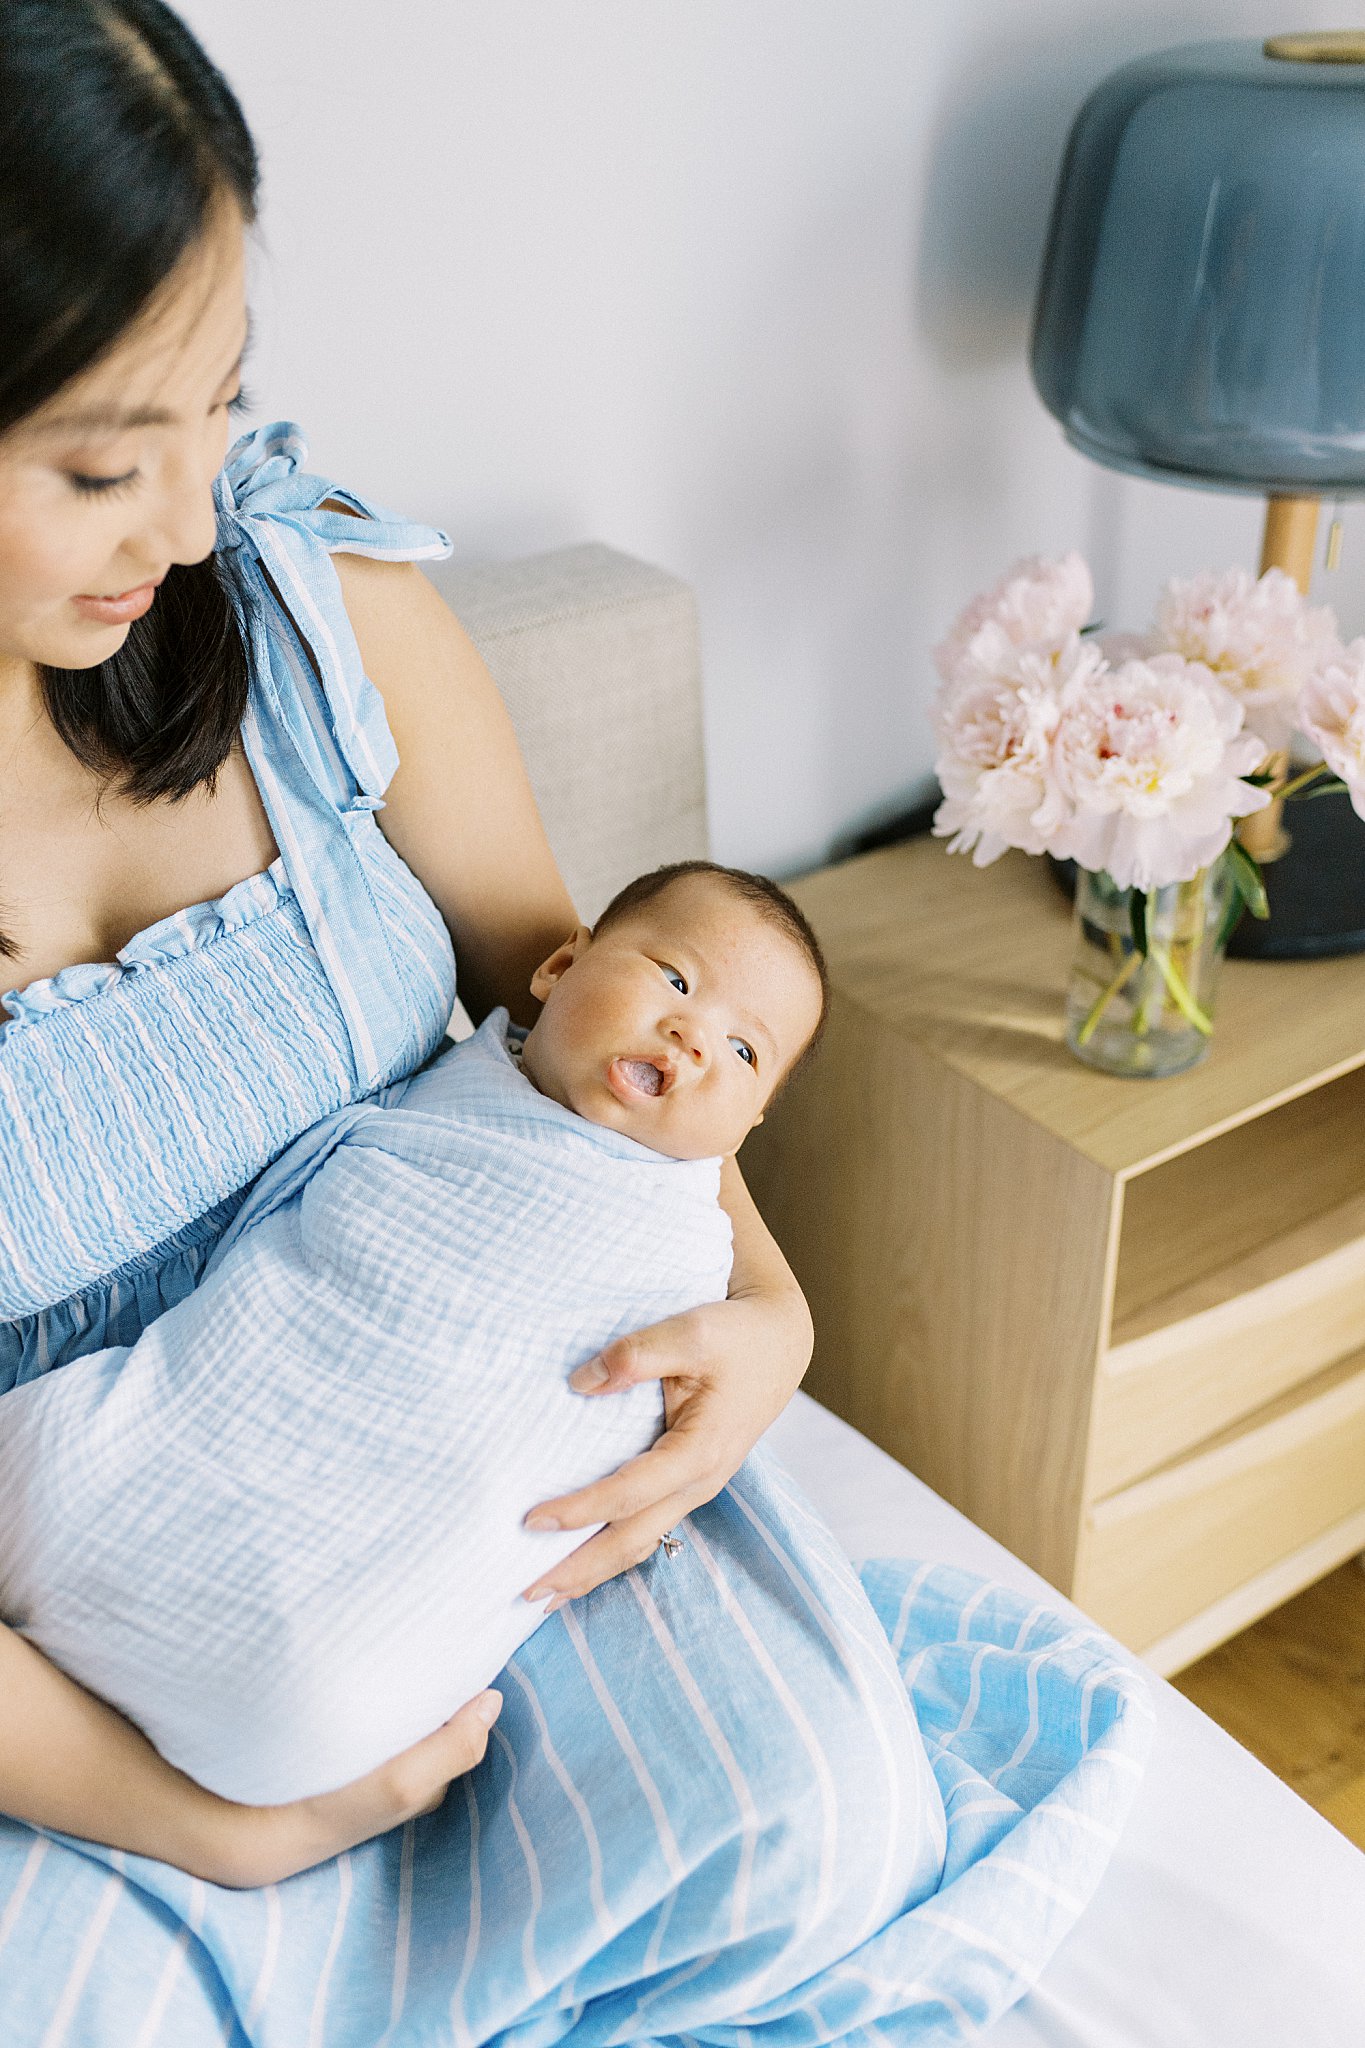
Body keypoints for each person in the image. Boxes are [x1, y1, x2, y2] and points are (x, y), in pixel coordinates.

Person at [0, 9, 1150, 2043]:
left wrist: (765, 1310)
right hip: (82, 1677)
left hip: (472, 1456)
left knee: (807, 1815)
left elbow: (585, 996)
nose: (186, 522)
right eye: (104, 459)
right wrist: (208, 1818)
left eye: (220, 407)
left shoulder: (292, 597)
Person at [0, 863, 831, 1809]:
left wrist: (778, 1319)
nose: (693, 1033)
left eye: (743, 1050)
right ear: (560, 966)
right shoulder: (447, 1091)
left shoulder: (685, 1238)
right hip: (224, 1405)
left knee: (316, 1701)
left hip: (357, 1582)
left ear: (746, 1127)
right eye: (674, 981)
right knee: (41, 1467)